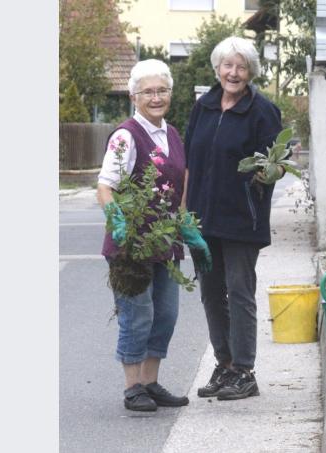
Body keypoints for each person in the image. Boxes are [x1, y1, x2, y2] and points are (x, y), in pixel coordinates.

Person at [97, 59, 212, 412]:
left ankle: (150, 381)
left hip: (165, 241)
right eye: (148, 91)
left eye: (162, 90)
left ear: (171, 94)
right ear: (134, 96)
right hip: (131, 244)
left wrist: (187, 227)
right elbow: (106, 186)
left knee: (165, 314)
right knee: (138, 314)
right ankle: (133, 387)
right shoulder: (126, 136)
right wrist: (118, 220)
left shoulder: (172, 134)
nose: (156, 97)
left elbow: (177, 189)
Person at [183, 36, 284, 401]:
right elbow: (189, 163)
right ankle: (224, 364)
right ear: (217, 69)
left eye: (241, 67)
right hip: (203, 219)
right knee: (211, 294)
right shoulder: (204, 107)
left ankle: (244, 370)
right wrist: (184, 213)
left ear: (251, 72)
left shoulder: (262, 111)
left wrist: (267, 173)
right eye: (228, 65)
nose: (234, 73)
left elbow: (279, 162)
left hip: (243, 218)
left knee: (239, 291)